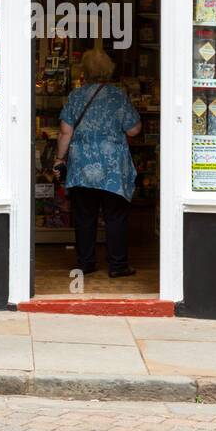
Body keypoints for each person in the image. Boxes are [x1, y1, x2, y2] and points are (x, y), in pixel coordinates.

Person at [53, 47, 142, 277]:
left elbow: (65, 132)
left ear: (85, 71)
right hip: (113, 166)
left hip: (82, 165)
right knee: (116, 216)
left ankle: (85, 263)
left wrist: (59, 159)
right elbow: (133, 130)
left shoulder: (75, 96)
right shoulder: (118, 96)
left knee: (84, 216)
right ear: (108, 70)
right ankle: (118, 265)